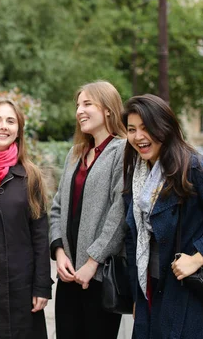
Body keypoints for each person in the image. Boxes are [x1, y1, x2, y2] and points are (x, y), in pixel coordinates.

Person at [122, 94, 203, 339]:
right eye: (131, 129)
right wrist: (136, 297)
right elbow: (134, 236)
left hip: (187, 294)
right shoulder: (137, 172)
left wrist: (198, 257)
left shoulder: (195, 168)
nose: (138, 137)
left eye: (146, 128)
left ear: (165, 127)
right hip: (149, 289)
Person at [0, 98, 52, 339]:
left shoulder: (30, 175)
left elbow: (40, 234)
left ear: (18, 131)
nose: (3, 126)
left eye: (10, 121)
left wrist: (42, 286)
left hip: (21, 286)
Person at [49, 81, 127, 339]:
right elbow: (58, 207)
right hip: (69, 275)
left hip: (99, 277)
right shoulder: (75, 153)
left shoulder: (123, 150)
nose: (79, 111)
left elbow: (119, 212)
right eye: (78, 105)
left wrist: (93, 262)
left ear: (107, 109)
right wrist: (59, 252)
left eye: (87, 104)